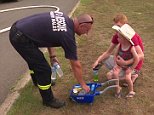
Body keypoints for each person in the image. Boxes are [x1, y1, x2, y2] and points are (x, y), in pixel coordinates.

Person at [9, 11, 93, 108]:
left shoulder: (64, 18)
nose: (86, 33)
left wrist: (52, 56)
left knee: (35, 60)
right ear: (81, 25)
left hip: (19, 28)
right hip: (20, 38)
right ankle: (48, 100)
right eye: (86, 30)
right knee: (44, 69)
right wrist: (83, 84)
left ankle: (38, 81)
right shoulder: (67, 35)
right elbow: (75, 64)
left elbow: (49, 36)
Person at [93, 13, 144, 86]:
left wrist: (125, 63)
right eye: (115, 26)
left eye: (119, 26)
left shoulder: (132, 36)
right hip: (121, 62)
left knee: (111, 76)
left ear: (125, 25)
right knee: (103, 58)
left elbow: (141, 55)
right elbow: (108, 52)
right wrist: (97, 61)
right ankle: (126, 75)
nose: (117, 30)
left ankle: (133, 74)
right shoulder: (117, 35)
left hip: (133, 66)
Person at [112, 24, 139, 98]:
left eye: (119, 38)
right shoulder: (119, 45)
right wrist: (115, 64)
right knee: (115, 73)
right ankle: (117, 88)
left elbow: (137, 59)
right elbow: (115, 55)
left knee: (127, 77)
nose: (117, 39)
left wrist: (130, 69)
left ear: (125, 39)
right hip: (120, 65)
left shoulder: (131, 48)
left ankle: (131, 91)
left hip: (129, 66)